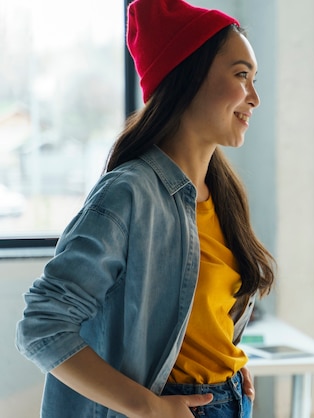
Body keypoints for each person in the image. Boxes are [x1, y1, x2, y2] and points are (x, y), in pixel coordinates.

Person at [15, 0, 275, 416]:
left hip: (228, 400)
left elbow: (197, 312)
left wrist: (225, 361)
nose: (255, 97)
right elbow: (42, 326)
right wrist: (148, 408)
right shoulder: (129, 193)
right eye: (241, 75)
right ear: (188, 77)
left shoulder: (224, 194)